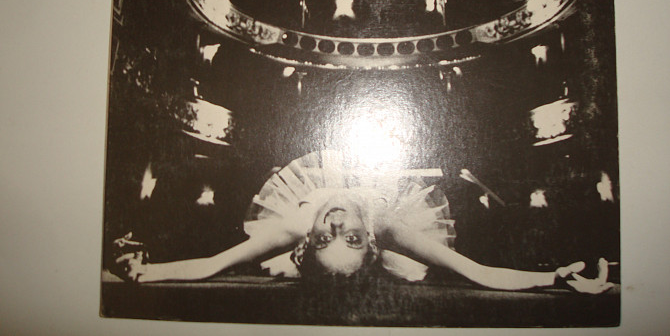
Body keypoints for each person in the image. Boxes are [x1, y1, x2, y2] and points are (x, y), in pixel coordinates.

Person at [114, 151, 613, 293]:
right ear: (371, 241)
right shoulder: (387, 225)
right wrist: (554, 278)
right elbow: (477, 272)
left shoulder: (297, 225)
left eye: (326, 238)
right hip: (384, 191)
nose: (334, 224)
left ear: (307, 243)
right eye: (350, 238)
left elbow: (212, 265)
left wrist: (148, 272)